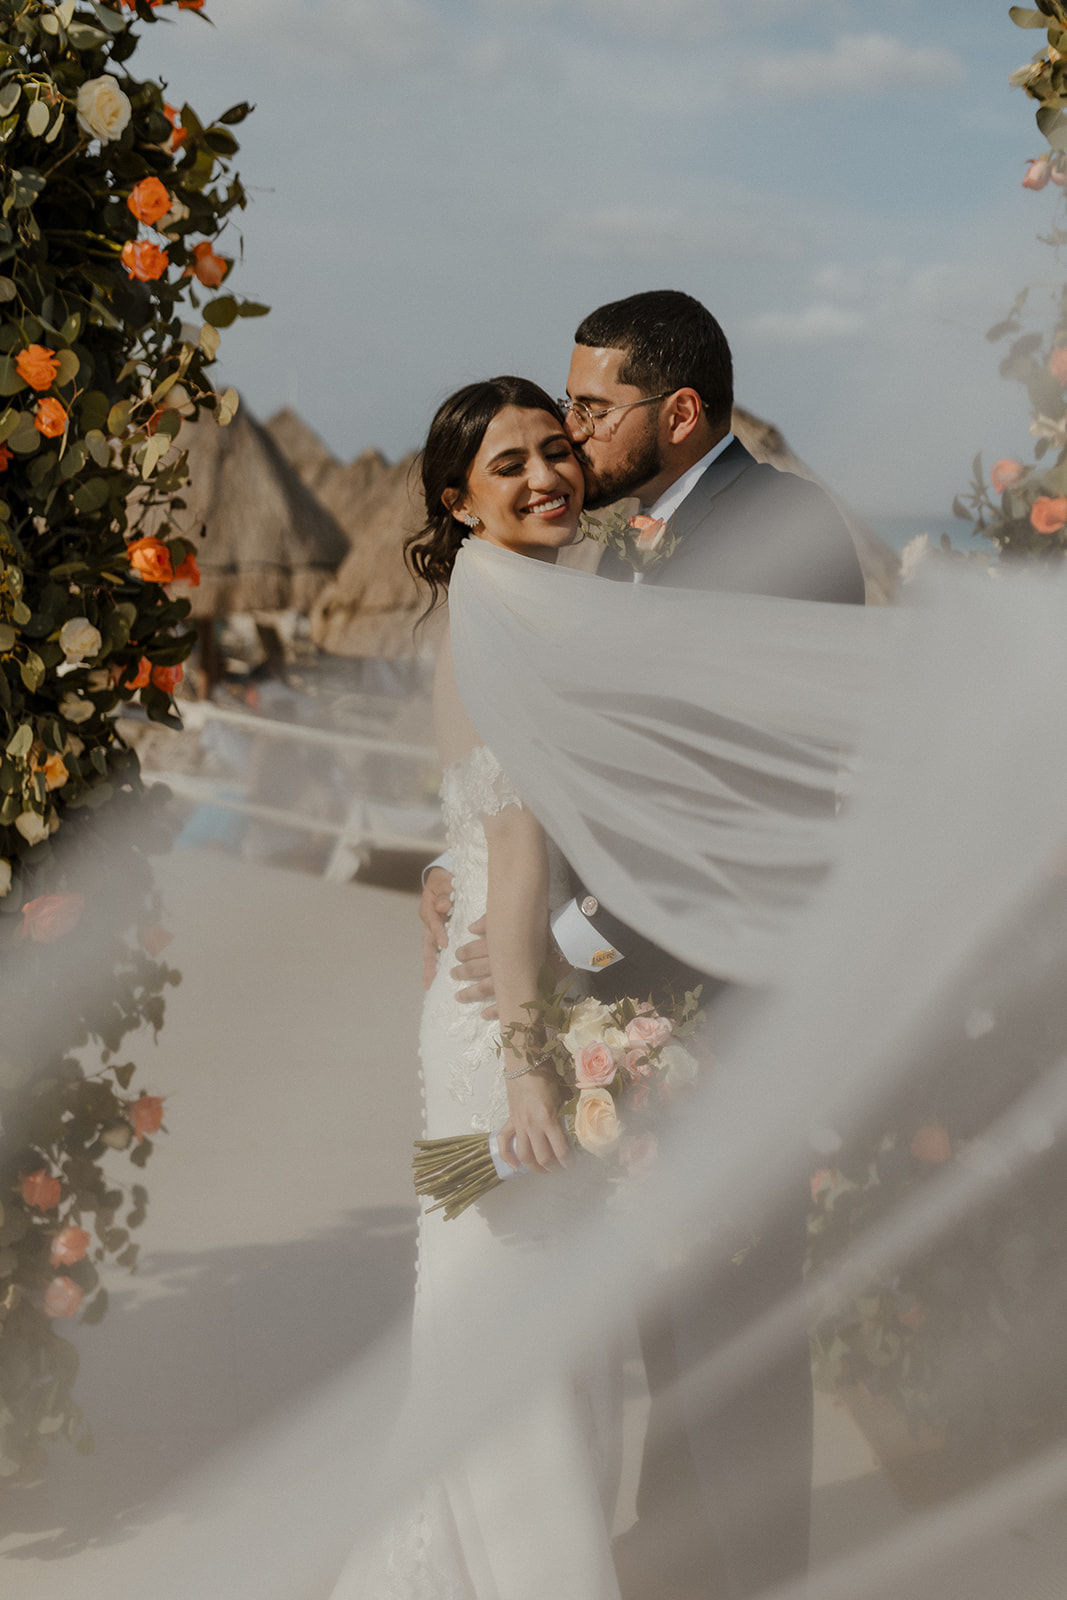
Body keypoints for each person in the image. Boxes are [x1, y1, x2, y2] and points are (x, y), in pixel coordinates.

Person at [420, 290, 866, 1599]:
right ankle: (674, 1565)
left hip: (730, 1000)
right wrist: (467, 873)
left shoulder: (775, 528)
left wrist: (562, 941)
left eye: (591, 408)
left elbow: (738, 795)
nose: (570, 432)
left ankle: (743, 1575)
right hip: (649, 989)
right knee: (669, 1334)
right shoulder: (636, 544)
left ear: (676, 414)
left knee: (731, 1339)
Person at [329, 376, 625, 1600]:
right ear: (456, 499)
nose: (545, 474)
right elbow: (509, 846)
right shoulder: (504, 622)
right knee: (507, 1339)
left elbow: (500, 835)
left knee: (522, 1332)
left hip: (508, 975)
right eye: (508, 465)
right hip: (498, 1018)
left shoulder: (529, 608)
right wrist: (521, 1053)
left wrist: (451, 888)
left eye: (556, 451)